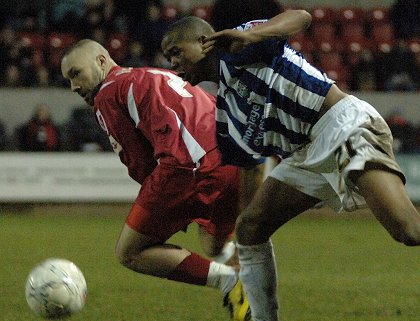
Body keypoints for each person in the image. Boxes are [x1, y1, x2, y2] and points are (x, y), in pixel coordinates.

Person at [161, 10, 420, 321]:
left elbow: (301, 17)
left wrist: (248, 35)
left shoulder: (242, 44)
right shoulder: (226, 111)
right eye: (167, 57)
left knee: (408, 230)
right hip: (304, 155)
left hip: (341, 126)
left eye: (176, 52)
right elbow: (249, 168)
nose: (172, 64)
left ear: (203, 42)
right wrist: (234, 220)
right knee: (250, 229)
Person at [61, 39, 252, 321]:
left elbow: (137, 161)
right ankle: (254, 297)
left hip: (186, 167)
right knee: (216, 246)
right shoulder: (152, 73)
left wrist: (169, 204)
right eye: (68, 80)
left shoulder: (107, 94)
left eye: (76, 73)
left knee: (131, 252)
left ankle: (231, 282)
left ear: (101, 62)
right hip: (230, 159)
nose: (74, 86)